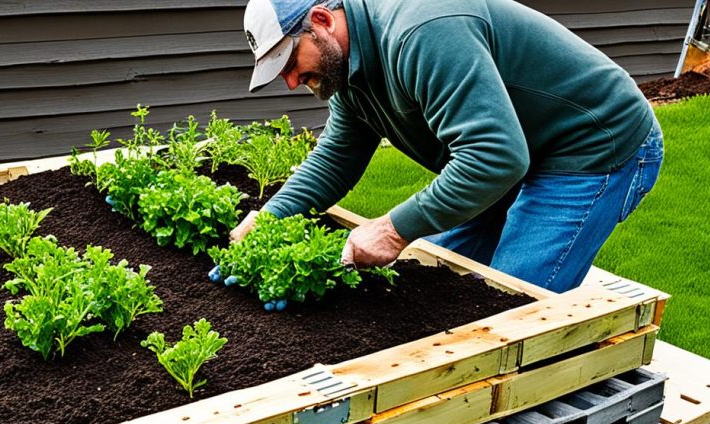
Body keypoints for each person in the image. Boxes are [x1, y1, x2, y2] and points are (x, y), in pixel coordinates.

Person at [235, 0, 664, 293]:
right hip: (513, 147)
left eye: (291, 63)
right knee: (432, 280)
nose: (291, 82)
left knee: (511, 306)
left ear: (323, 20)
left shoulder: (419, 32)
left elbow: (493, 157)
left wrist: (391, 228)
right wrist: (271, 217)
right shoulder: (346, 68)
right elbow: (336, 158)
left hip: (590, 144)